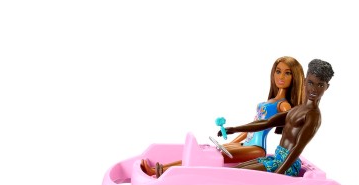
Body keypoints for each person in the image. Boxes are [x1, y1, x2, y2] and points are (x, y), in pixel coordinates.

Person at [141, 56, 305, 176]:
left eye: (287, 73)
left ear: (294, 77)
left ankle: (161, 171)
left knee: (207, 156)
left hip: (256, 149)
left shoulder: (284, 105)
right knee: (209, 152)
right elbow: (252, 128)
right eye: (278, 71)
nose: (281, 77)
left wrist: (286, 155)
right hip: (245, 144)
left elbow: (278, 128)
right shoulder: (271, 101)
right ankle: (161, 169)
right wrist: (233, 142)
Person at [221, 59, 334, 176]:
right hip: (277, 158)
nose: (314, 89)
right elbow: (267, 123)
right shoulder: (296, 110)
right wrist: (234, 129)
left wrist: (277, 174)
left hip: (287, 165)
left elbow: (297, 148)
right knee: (235, 170)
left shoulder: (313, 115)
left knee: (237, 174)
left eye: (320, 85)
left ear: (327, 87)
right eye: (310, 83)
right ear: (305, 81)